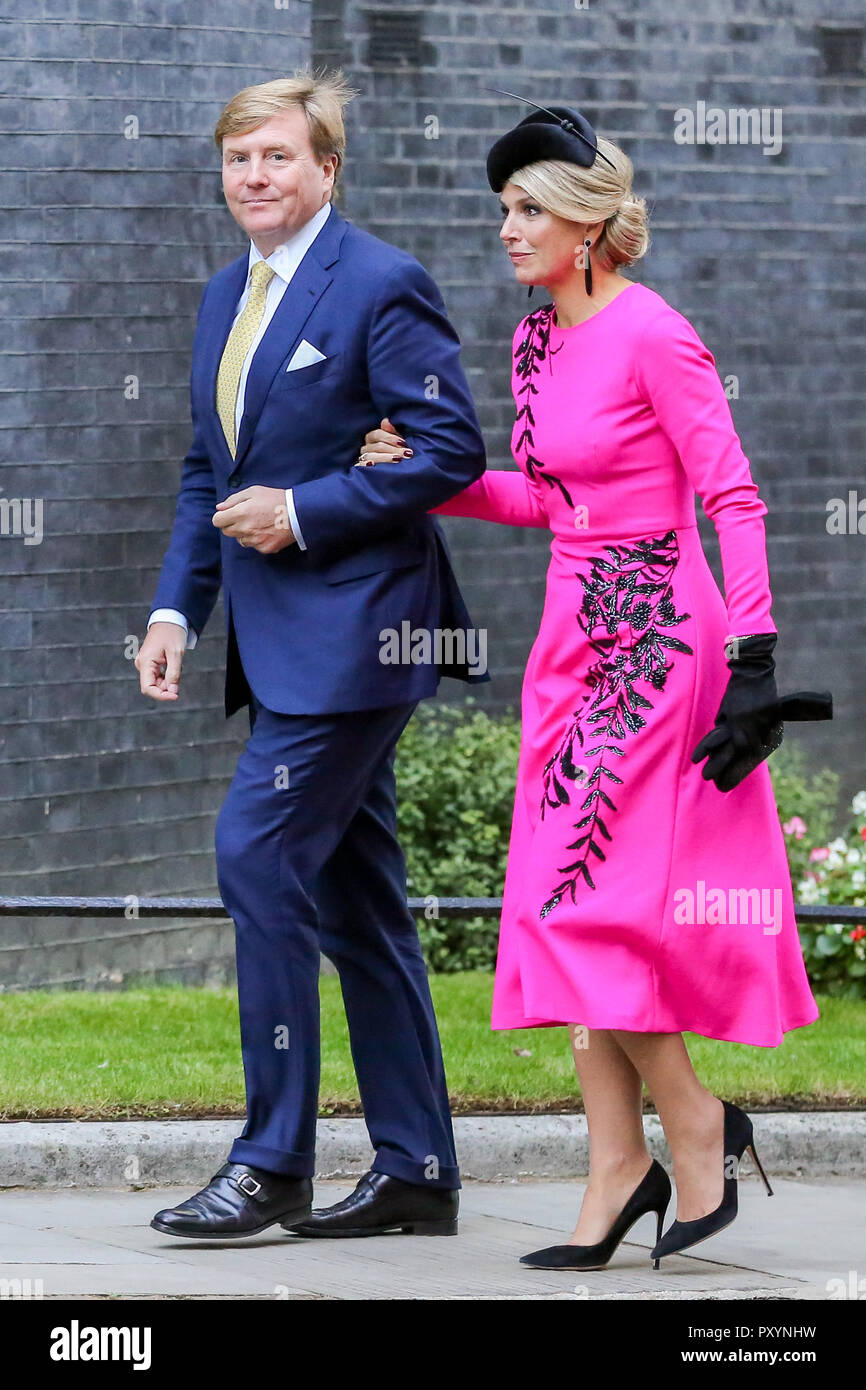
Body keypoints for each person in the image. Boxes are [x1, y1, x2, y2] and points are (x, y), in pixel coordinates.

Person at [359, 100, 831, 1269]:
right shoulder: (534, 339)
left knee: (588, 908)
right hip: (569, 647)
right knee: (552, 909)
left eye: (526, 209)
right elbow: (547, 498)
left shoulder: (654, 334)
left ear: (585, 223)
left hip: (660, 645)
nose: (505, 229)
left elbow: (733, 497)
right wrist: (429, 477)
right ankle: (620, 1159)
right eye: (501, 209)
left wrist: (753, 664)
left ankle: (690, 1126)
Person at [135, 71, 488, 1241]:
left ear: (326, 169)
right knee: (359, 900)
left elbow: (444, 446)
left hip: (361, 633)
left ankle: (274, 1159)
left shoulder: (381, 281)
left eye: (278, 158)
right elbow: (207, 471)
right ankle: (418, 1172)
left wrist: (307, 507)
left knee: (254, 850)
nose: (255, 178)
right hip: (280, 642)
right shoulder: (223, 296)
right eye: (239, 161)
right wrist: (176, 614)